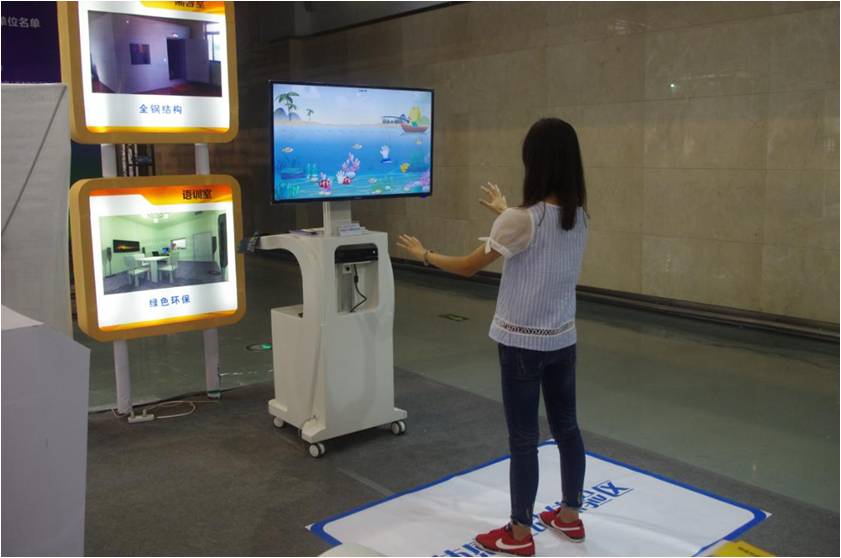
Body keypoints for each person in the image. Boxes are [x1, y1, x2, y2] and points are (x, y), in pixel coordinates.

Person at [397, 118, 588, 557]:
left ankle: (519, 535)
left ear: (534, 161)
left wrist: (423, 254)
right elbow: (528, 234)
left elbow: (468, 266)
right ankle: (570, 515)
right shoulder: (579, 217)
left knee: (523, 438)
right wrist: (504, 210)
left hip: (521, 345)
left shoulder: (522, 220)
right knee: (567, 427)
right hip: (562, 340)